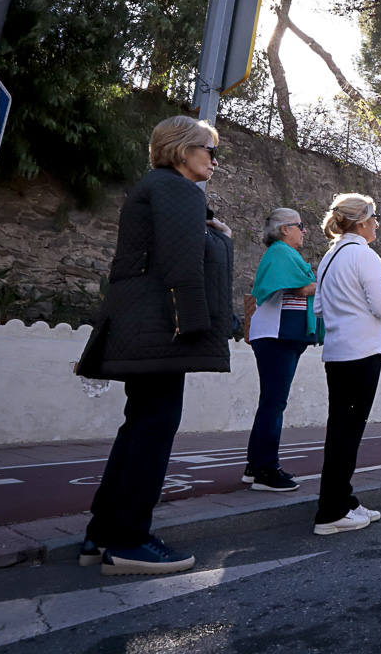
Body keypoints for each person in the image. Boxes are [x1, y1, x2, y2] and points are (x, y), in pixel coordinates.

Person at [75, 116, 233, 575]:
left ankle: (102, 533)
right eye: (209, 149)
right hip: (163, 329)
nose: (214, 160)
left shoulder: (153, 187)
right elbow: (181, 264)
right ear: (183, 151)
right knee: (153, 429)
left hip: (139, 324)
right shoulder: (178, 190)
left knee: (139, 425)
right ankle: (129, 541)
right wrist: (197, 325)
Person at [311, 192, 381, 535]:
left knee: (342, 428)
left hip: (337, 352)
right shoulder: (365, 255)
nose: (377, 224)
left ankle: (342, 499)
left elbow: (318, 308)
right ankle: (331, 511)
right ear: (362, 222)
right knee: (348, 432)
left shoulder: (329, 257)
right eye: (374, 218)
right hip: (362, 353)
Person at [243, 208, 317, 492]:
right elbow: (299, 288)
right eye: (300, 225)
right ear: (284, 229)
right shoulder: (280, 253)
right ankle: (265, 469)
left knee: (271, 401)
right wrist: (319, 283)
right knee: (274, 402)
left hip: (282, 335)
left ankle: (255, 465)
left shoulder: (285, 254)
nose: (304, 230)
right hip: (276, 335)